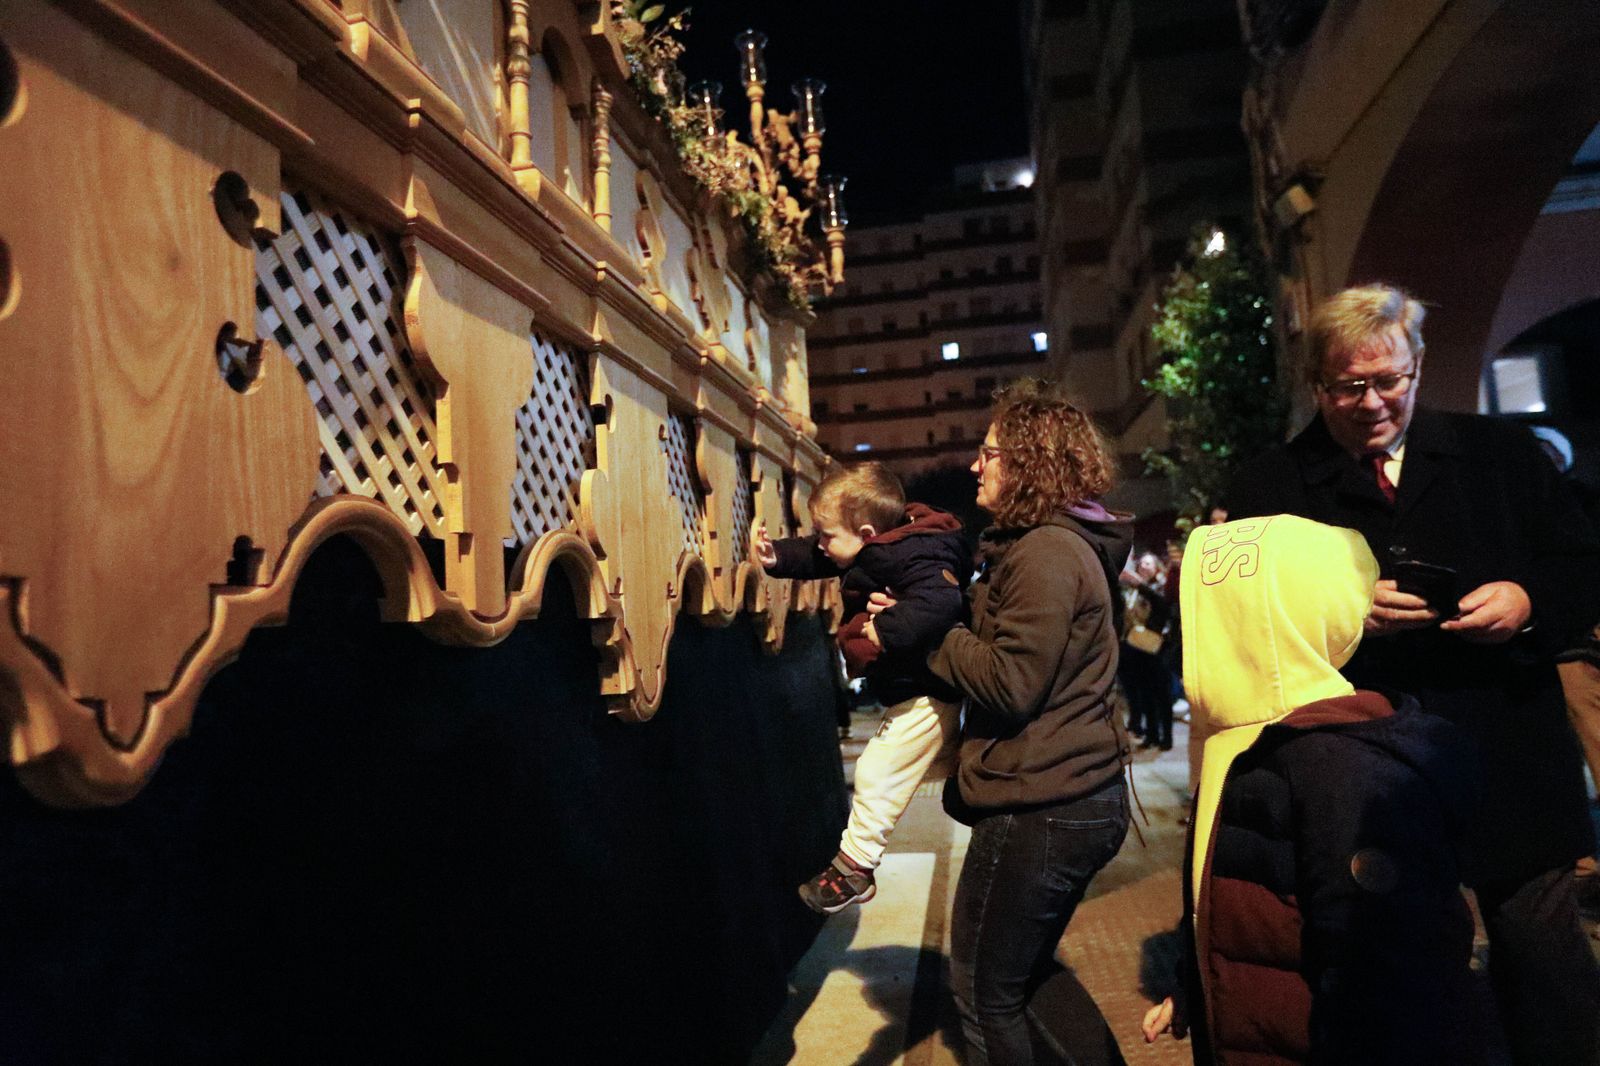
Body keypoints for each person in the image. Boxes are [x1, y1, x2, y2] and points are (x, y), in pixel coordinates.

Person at [1224, 283, 1600, 1064]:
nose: (1372, 402)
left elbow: (1582, 567)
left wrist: (1527, 601)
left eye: (1389, 380)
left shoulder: (1499, 455)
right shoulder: (1269, 488)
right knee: (1401, 982)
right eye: (1348, 386)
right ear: (1316, 383)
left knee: (1544, 963)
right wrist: (1341, 616)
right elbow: (1243, 631)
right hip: (1361, 774)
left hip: (1511, 753)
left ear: (1418, 366)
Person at [1141, 515, 1484, 1064]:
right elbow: (1231, 893)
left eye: (1215, 615)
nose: (1195, 635)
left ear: (1271, 623)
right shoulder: (1245, 739)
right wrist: (1196, 984)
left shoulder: (1339, 769)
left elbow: (1387, 985)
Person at [876, 378, 1133, 1065]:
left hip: (1042, 806)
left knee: (983, 993)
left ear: (1030, 463)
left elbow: (1011, 684)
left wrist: (925, 632)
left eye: (989, 453)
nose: (975, 466)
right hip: (1067, 798)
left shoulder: (1047, 552)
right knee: (1026, 978)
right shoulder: (1048, 546)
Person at [755, 461, 968, 914]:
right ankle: (985, 774)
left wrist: (886, 628)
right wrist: (778, 557)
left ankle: (855, 866)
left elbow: (942, 601)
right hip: (916, 688)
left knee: (876, 771)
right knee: (932, 766)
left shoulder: (913, 553)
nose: (821, 544)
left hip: (928, 691)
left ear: (867, 533)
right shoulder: (875, 547)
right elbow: (818, 555)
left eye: (827, 535)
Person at [1119, 551, 1174, 750]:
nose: (1144, 566)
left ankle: (1166, 737)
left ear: (1156, 567)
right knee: (1145, 693)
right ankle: (1151, 735)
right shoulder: (1133, 591)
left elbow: (1162, 605)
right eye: (1141, 563)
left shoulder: (1160, 586)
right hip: (1138, 647)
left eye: (1148, 563)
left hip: (1157, 647)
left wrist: (1139, 584)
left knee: (1162, 694)